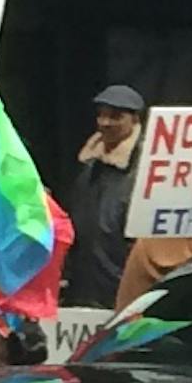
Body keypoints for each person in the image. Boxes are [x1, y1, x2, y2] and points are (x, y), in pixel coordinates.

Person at [65, 84, 144, 308]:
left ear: (134, 119)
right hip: (83, 288)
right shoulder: (89, 166)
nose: (105, 123)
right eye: (102, 115)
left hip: (121, 290)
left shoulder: (143, 168)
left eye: (116, 117)